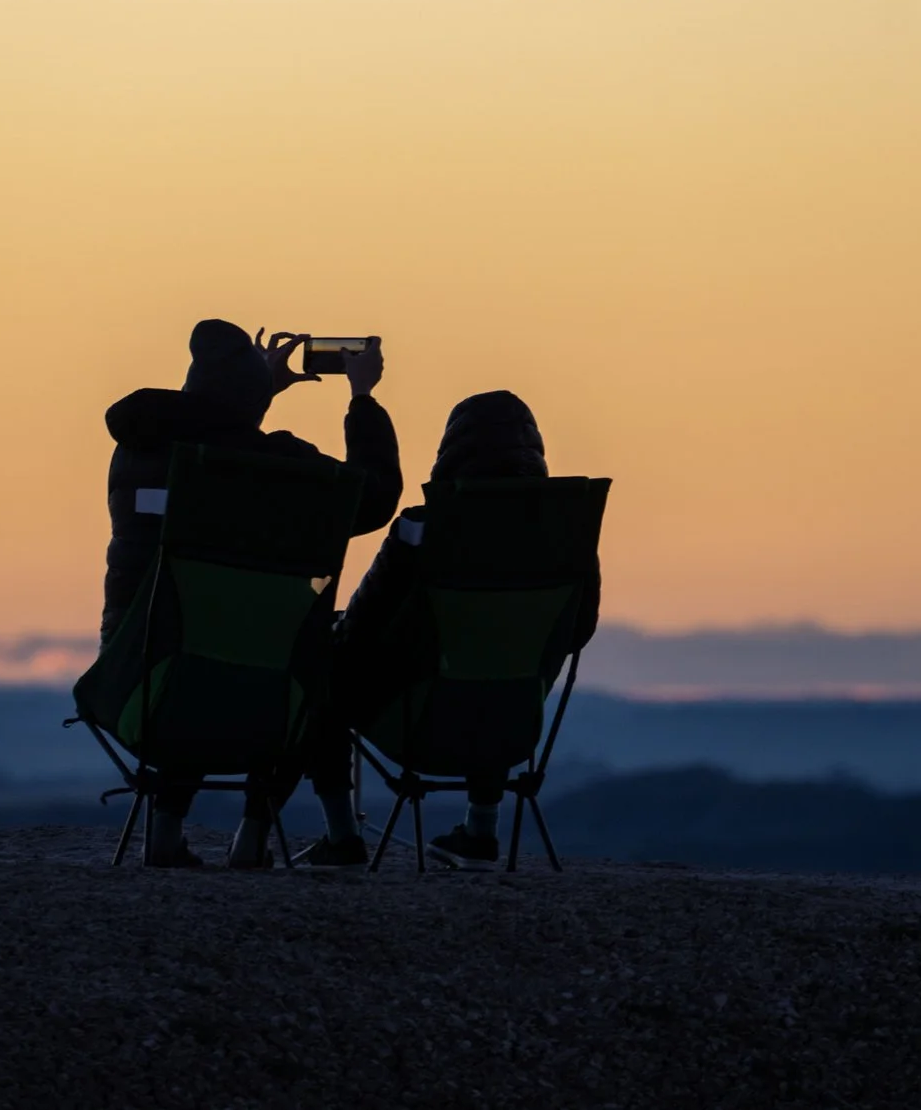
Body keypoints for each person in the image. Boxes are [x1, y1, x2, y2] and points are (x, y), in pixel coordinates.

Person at [98, 319, 401, 867]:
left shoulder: (137, 454)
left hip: (139, 678)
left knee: (199, 641)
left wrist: (255, 395)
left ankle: (163, 835)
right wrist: (362, 398)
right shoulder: (279, 466)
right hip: (264, 692)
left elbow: (217, 436)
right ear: (247, 398)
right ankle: (256, 836)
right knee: (299, 652)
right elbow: (374, 498)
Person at [260, 389, 599, 869]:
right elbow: (578, 630)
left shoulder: (422, 529)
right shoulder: (567, 535)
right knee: (493, 673)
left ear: (452, 455)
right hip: (514, 721)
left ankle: (342, 837)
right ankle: (481, 832)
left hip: (422, 723)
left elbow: (359, 630)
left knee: (322, 665)